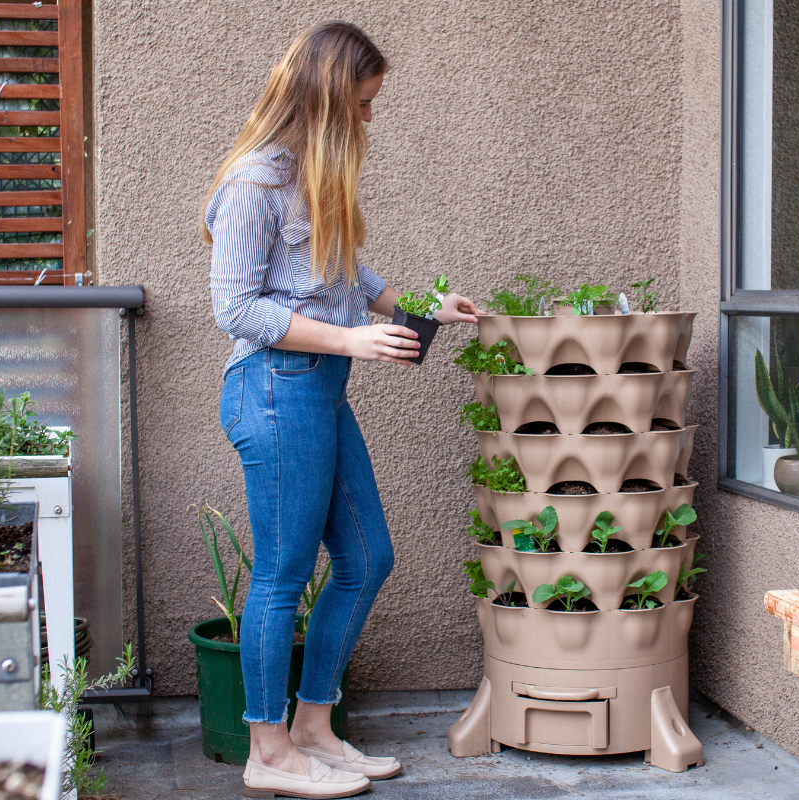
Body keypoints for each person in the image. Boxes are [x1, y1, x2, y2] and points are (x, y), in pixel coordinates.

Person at [201, 20, 479, 800]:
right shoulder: (255, 181)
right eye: (362, 103)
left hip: (316, 387)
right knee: (284, 577)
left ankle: (316, 728)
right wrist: (352, 340)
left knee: (366, 560)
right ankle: (270, 750)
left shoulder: (312, 178)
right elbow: (235, 309)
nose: (368, 117)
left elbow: (342, 267)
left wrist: (423, 304)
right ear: (327, 98)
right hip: (272, 387)